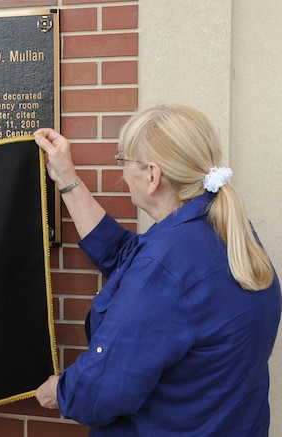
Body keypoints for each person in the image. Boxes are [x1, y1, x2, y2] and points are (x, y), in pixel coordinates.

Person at [33, 105, 281, 436]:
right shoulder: (226, 232)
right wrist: (67, 177)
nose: (121, 172)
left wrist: (60, 391)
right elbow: (126, 255)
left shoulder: (166, 266)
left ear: (152, 175)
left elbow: (102, 391)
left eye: (123, 161)